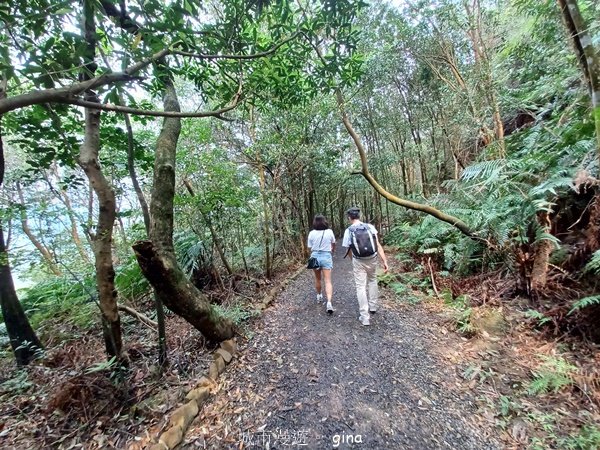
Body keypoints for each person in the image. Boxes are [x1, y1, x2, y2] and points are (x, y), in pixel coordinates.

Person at [342, 207, 389, 326]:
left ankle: (365, 317)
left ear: (349, 218)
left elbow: (348, 250)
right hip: (372, 258)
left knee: (360, 287)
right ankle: (373, 306)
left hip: (359, 260)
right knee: (372, 280)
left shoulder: (349, 231)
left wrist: (354, 260)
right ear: (359, 216)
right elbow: (377, 245)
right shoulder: (370, 227)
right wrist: (384, 261)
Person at [307, 214, 336, 314]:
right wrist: (332, 250)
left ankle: (319, 296)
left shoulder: (311, 233)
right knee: (328, 280)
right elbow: (333, 243)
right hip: (326, 256)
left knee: (318, 278)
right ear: (325, 222)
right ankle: (329, 302)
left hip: (314, 256)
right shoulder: (329, 232)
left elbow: (310, 247)